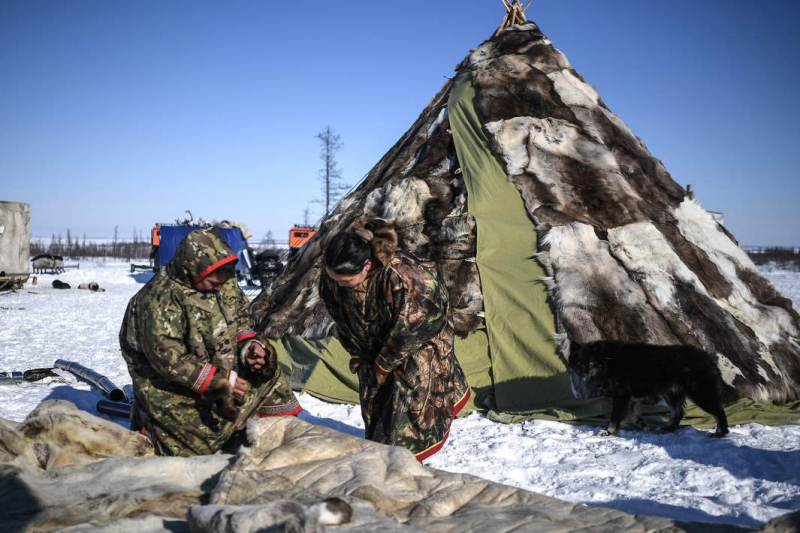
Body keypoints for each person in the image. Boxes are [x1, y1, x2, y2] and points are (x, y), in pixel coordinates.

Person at [119, 228, 301, 456]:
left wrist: (249, 346)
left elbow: (242, 318)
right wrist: (219, 381)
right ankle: (156, 428)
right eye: (212, 283)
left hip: (222, 371)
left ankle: (273, 441)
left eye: (222, 282)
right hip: (173, 387)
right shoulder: (158, 299)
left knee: (269, 376)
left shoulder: (225, 284)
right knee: (202, 446)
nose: (218, 288)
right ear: (193, 270)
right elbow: (167, 360)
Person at [319, 220, 470, 461]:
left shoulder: (408, 277)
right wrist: (358, 351)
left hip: (418, 345)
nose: (338, 285)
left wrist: (384, 363)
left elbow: (415, 328)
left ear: (367, 265)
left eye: (346, 280)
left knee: (409, 412)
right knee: (377, 408)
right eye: (333, 278)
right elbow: (341, 316)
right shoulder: (334, 275)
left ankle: (403, 462)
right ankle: (383, 449)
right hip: (372, 342)